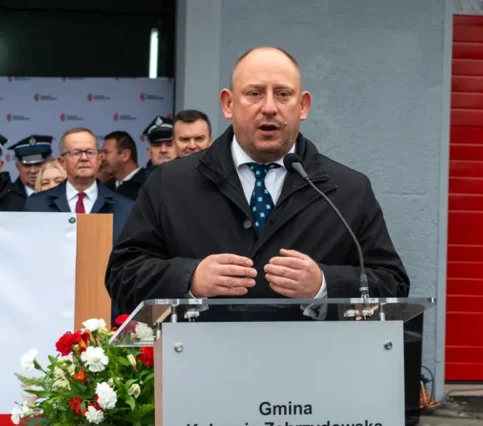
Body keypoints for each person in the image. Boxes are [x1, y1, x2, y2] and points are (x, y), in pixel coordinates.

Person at [105, 46, 409, 321]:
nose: (269, 107)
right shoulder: (170, 184)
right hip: (203, 360)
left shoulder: (348, 190)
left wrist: (324, 285)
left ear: (303, 106)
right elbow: (122, 276)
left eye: (283, 94)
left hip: (313, 360)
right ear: (228, 104)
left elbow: (392, 284)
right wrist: (191, 278)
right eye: (254, 93)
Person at [24, 127, 134, 241]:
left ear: (99, 159)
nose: (84, 158)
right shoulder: (37, 205)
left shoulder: (125, 208)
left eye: (90, 152)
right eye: (76, 153)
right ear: (62, 162)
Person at [99, 131, 146, 201]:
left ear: (125, 155)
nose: (101, 158)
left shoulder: (150, 185)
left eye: (106, 152)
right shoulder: (104, 188)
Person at [7, 134, 54, 199]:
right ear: (18, 167)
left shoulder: (64, 193)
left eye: (38, 164)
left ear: (52, 163)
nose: (33, 171)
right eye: (27, 165)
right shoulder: (5, 199)